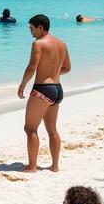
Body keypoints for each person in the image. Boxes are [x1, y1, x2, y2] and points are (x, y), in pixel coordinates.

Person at [17, 14, 71, 172]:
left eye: (31, 28)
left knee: (30, 129)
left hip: (42, 90)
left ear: (40, 27)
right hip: (57, 89)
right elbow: (67, 68)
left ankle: (32, 166)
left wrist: (22, 85)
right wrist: (52, 73)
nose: (30, 31)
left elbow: (32, 67)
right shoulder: (62, 44)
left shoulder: (38, 44)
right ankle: (55, 166)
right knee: (52, 130)